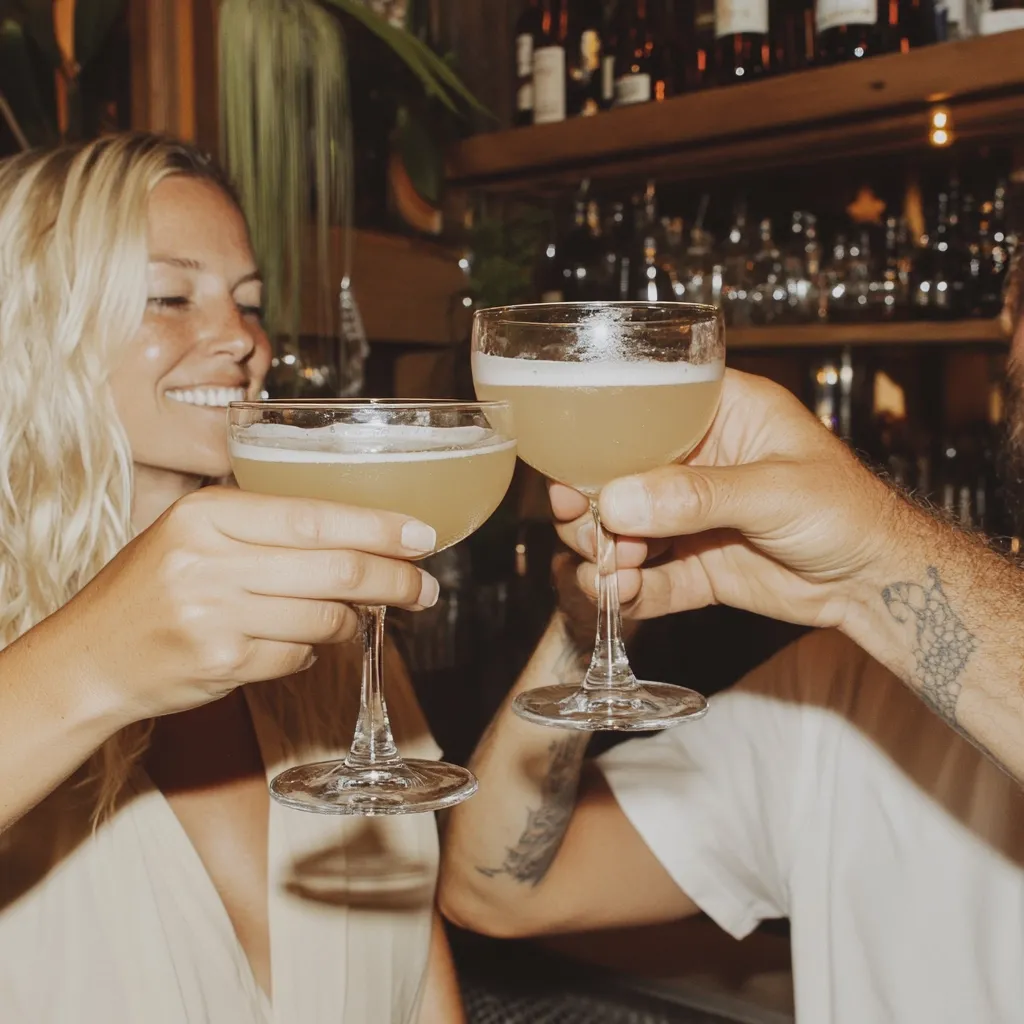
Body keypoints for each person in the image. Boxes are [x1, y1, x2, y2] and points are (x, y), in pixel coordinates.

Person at [438, 261, 1024, 1022]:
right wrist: (594, 624)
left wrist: (876, 564)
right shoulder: (847, 688)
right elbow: (496, 889)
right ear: (1011, 316)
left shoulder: (871, 611)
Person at [0, 133, 464, 1023]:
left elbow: (419, 948)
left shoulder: (324, 622)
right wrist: (93, 664)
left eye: (248, 302)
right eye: (170, 296)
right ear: (31, 326)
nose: (242, 340)